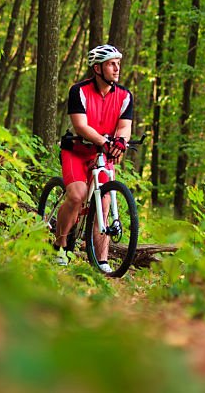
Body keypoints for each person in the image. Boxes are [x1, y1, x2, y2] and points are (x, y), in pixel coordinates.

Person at [54, 44, 133, 271]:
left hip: (101, 154)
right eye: (111, 64)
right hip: (76, 152)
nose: (117, 68)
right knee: (77, 196)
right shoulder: (78, 91)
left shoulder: (125, 96)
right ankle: (60, 245)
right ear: (97, 68)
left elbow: (124, 127)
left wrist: (121, 141)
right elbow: (80, 126)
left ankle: (103, 261)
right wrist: (105, 141)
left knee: (105, 202)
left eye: (118, 64)